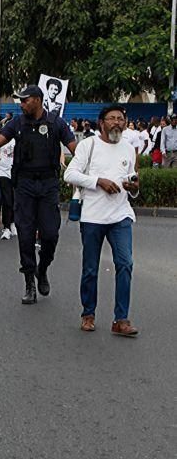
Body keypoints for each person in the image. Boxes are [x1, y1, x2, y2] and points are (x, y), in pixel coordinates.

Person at [0, 85, 77, 305]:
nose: (22, 104)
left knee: (50, 234)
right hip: (24, 185)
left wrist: (82, 171)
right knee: (25, 235)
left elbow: (76, 149)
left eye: (25, 100)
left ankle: (42, 268)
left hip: (48, 185)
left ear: (37, 100)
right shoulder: (17, 123)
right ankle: (29, 283)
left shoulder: (56, 123)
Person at [64, 105, 140, 336]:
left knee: (125, 264)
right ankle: (88, 314)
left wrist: (134, 187)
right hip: (93, 216)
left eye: (121, 119)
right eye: (112, 118)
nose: (117, 122)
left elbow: (133, 181)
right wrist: (99, 181)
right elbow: (69, 174)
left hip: (121, 215)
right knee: (90, 268)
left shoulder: (128, 148)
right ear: (101, 123)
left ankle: (121, 320)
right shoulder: (89, 145)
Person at [0, 135, 16, 240]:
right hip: (3, 171)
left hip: (16, 172)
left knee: (14, 199)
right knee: (6, 199)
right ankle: (6, 227)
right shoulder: (2, 141)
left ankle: (13, 222)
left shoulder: (19, 139)